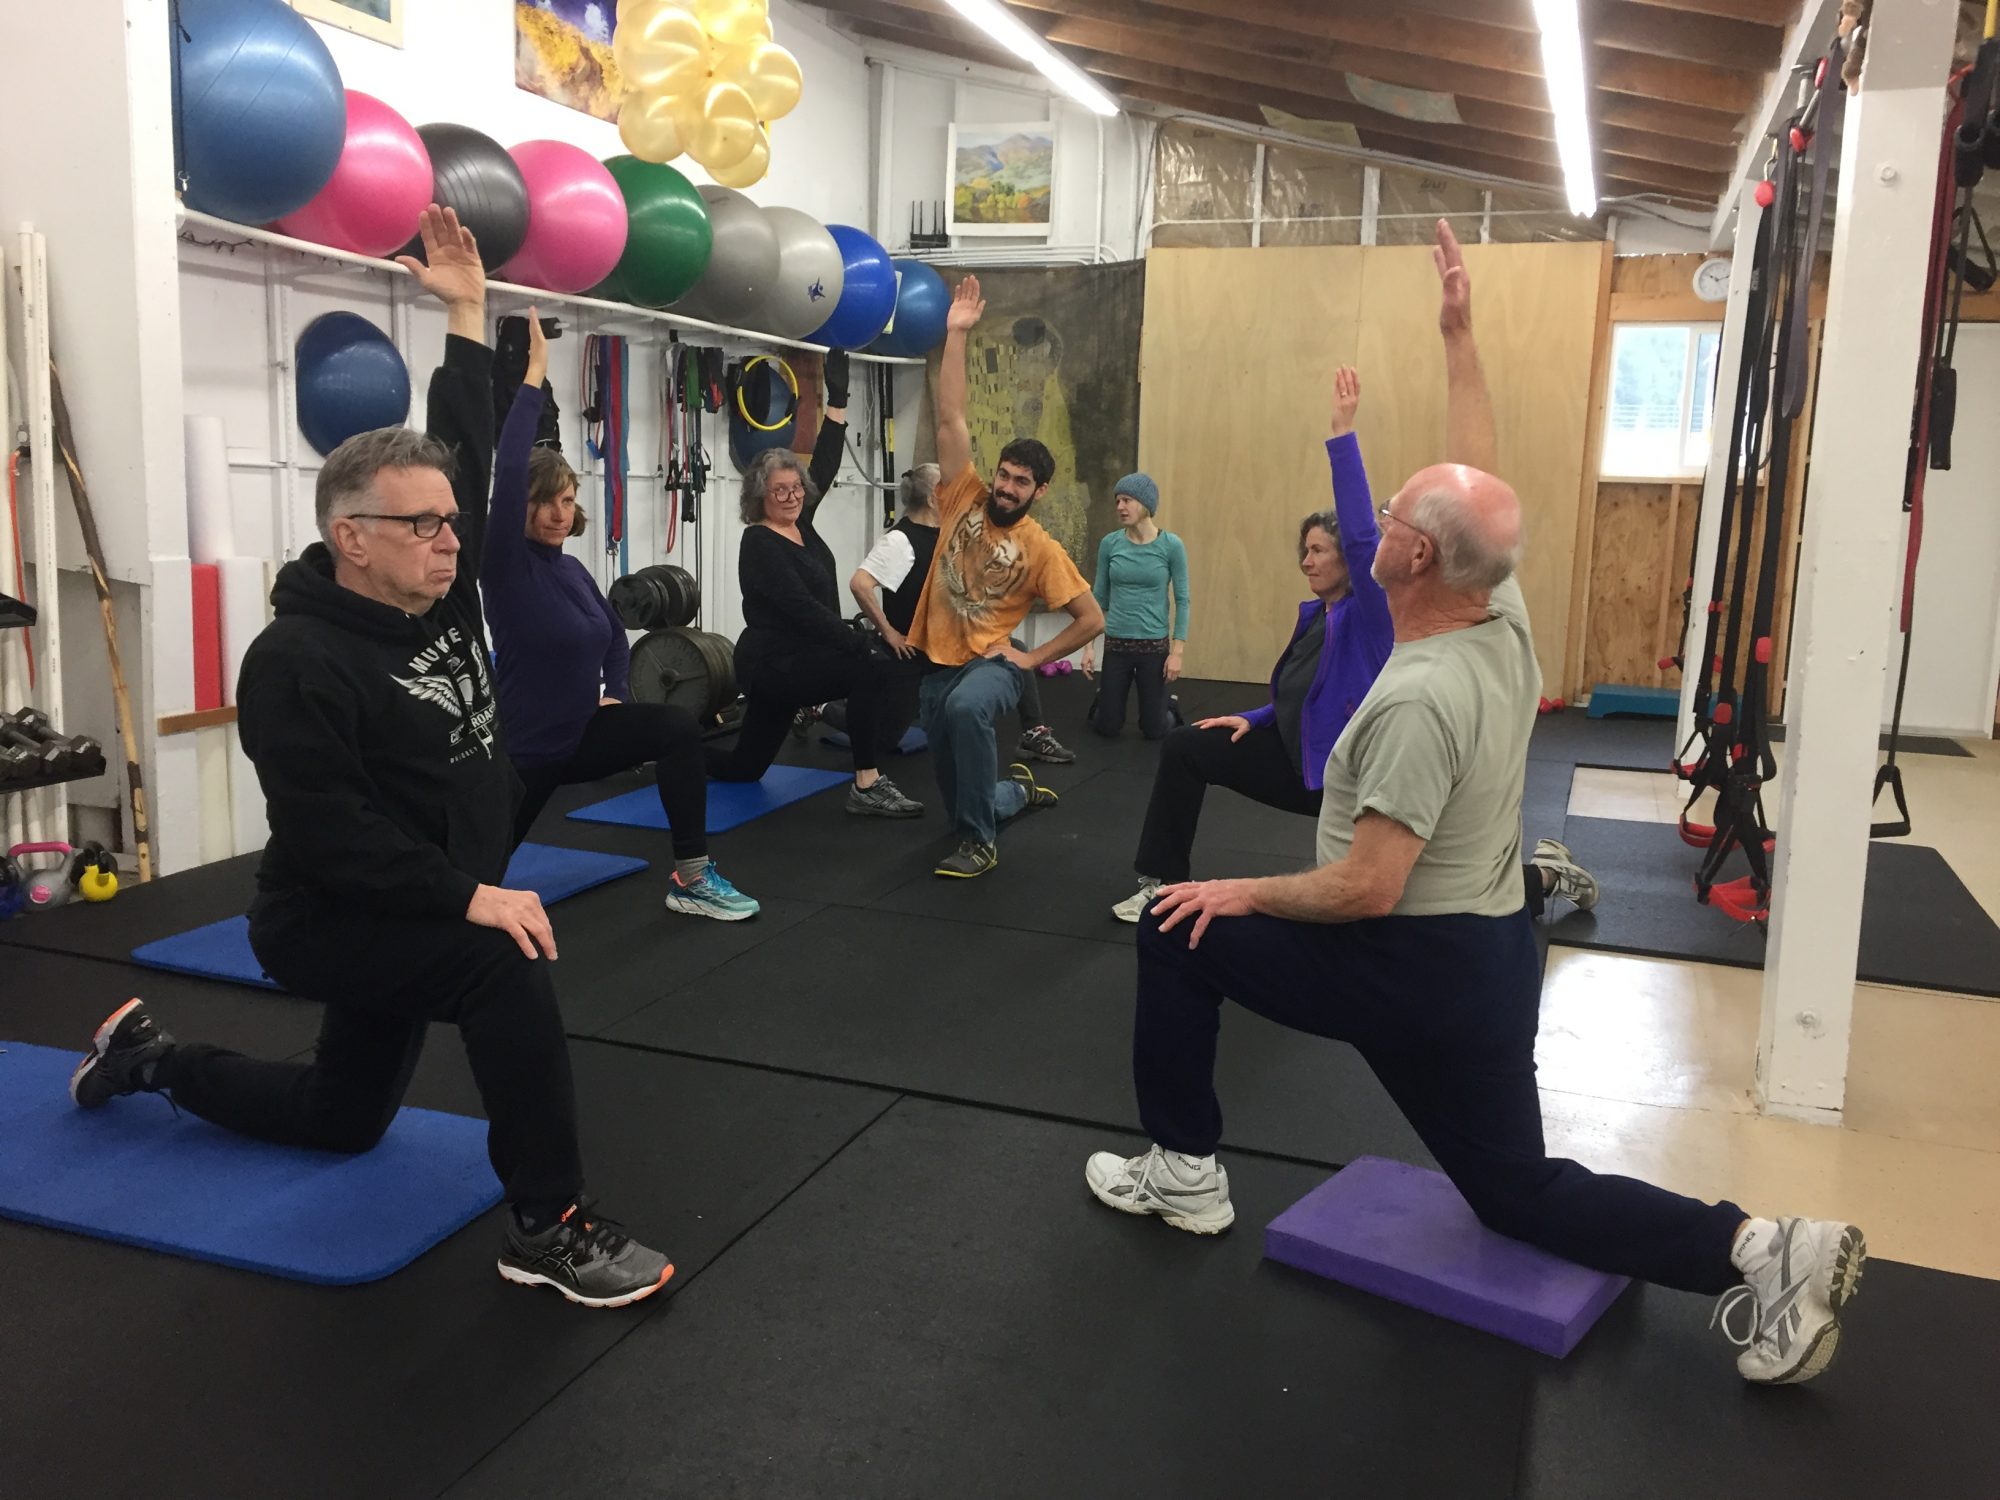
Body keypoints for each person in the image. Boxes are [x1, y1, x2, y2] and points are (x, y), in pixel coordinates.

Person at [1084, 220, 1864, 1387]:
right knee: (1512, 1192)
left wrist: (1231, 888)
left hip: (1409, 958)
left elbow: (1363, 886)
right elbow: (1476, 478)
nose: (1379, 516)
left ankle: (1183, 1172)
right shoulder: (1498, 616)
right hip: (1493, 955)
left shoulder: (1415, 698)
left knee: (1174, 931)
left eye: (1392, 515)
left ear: (1409, 560)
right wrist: (1459, 335)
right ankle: (1761, 1250)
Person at [66, 206, 673, 1308]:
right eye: (423, 527)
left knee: (340, 1122)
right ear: (351, 539)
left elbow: (468, 452)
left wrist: (465, 311)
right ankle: (547, 1225)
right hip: (330, 916)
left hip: (414, 900)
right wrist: (470, 898)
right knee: (505, 965)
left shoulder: (434, 593)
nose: (451, 541)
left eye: (450, 522)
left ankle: (148, 1059)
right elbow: (333, 835)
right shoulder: (296, 661)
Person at [1110, 365, 1599, 926]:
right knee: (1185, 747)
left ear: (1353, 560)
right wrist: (1257, 717)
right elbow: (1307, 691)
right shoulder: (1316, 614)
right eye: (1306, 551)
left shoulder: (1373, 612)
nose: (1308, 560)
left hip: (1359, 776)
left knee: (1435, 892)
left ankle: (1546, 874)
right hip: (1303, 761)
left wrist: (1342, 435)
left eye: (1320, 550)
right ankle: (1160, 884)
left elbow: (1365, 530)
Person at [484, 311, 758, 921]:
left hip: (582, 734)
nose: (559, 513)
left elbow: (613, 636)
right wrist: (532, 377)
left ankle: (690, 875)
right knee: (473, 880)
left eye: (567, 500)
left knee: (677, 729)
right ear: (521, 508)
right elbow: (504, 472)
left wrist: (613, 691)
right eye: (544, 502)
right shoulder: (506, 567)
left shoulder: (572, 570)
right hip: (527, 753)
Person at [909, 274, 1106, 878]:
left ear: (1039, 491)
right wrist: (956, 336)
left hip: (990, 665)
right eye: (1005, 475)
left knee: (971, 713)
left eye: (1022, 482)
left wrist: (1029, 660)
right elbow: (950, 418)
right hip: (935, 662)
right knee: (961, 789)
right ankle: (1015, 793)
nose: (1007, 487)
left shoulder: (1040, 548)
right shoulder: (962, 494)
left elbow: (1092, 619)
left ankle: (981, 845)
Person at [704, 350, 924, 818]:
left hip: (802, 657)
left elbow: (823, 461)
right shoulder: (759, 542)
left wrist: (838, 402)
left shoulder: (802, 518)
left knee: (744, 768)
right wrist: (854, 638)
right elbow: (800, 606)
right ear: (760, 496)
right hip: (772, 663)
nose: (791, 496)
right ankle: (866, 785)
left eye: (796, 488)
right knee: (866, 665)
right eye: (779, 491)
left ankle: (676, 753)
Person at [845, 461, 1075, 764]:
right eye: (946, 488)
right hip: (913, 654)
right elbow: (860, 584)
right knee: (885, 737)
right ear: (932, 498)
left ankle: (1033, 732)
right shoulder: (900, 540)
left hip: (951, 642)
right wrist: (889, 633)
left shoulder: (950, 533)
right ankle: (819, 710)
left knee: (1012, 647)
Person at [1081, 473, 1189, 741]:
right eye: (1118, 501)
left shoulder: (1171, 546)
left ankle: (1168, 704)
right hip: (1117, 645)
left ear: (1145, 504)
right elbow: (1099, 598)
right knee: (1107, 727)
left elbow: (1183, 600)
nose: (1120, 507)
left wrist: (1177, 653)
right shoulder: (1110, 544)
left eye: (1127, 500)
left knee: (1155, 730)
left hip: (1153, 647)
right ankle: (1104, 700)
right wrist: (1088, 646)